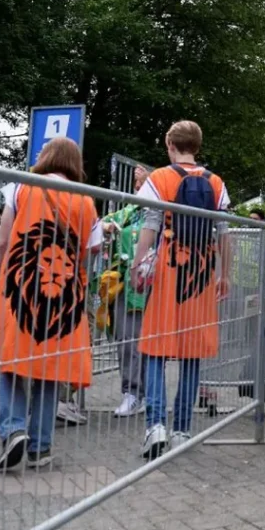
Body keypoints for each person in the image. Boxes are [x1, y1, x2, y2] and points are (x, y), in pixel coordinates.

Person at [0, 137, 101, 471]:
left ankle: (13, 431)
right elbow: (88, 251)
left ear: (45, 157)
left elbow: (5, 240)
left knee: (10, 362)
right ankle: (41, 446)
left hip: (19, 291)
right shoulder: (86, 199)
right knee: (50, 368)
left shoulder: (21, 187)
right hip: (64, 294)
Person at [132, 120, 232, 459]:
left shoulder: (159, 178)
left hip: (168, 272)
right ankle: (182, 430)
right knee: (191, 353)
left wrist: (138, 263)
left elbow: (150, 224)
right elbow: (224, 232)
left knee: (155, 350)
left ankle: (155, 425)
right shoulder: (216, 182)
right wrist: (225, 274)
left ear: (168, 143)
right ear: (198, 145)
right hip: (201, 275)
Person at [101, 164, 151, 417]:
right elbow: (99, 225)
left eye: (142, 181)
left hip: (153, 285)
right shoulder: (128, 212)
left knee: (150, 343)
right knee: (127, 340)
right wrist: (105, 228)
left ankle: (149, 393)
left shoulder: (160, 210)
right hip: (126, 286)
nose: (137, 183)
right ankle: (132, 392)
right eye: (136, 182)